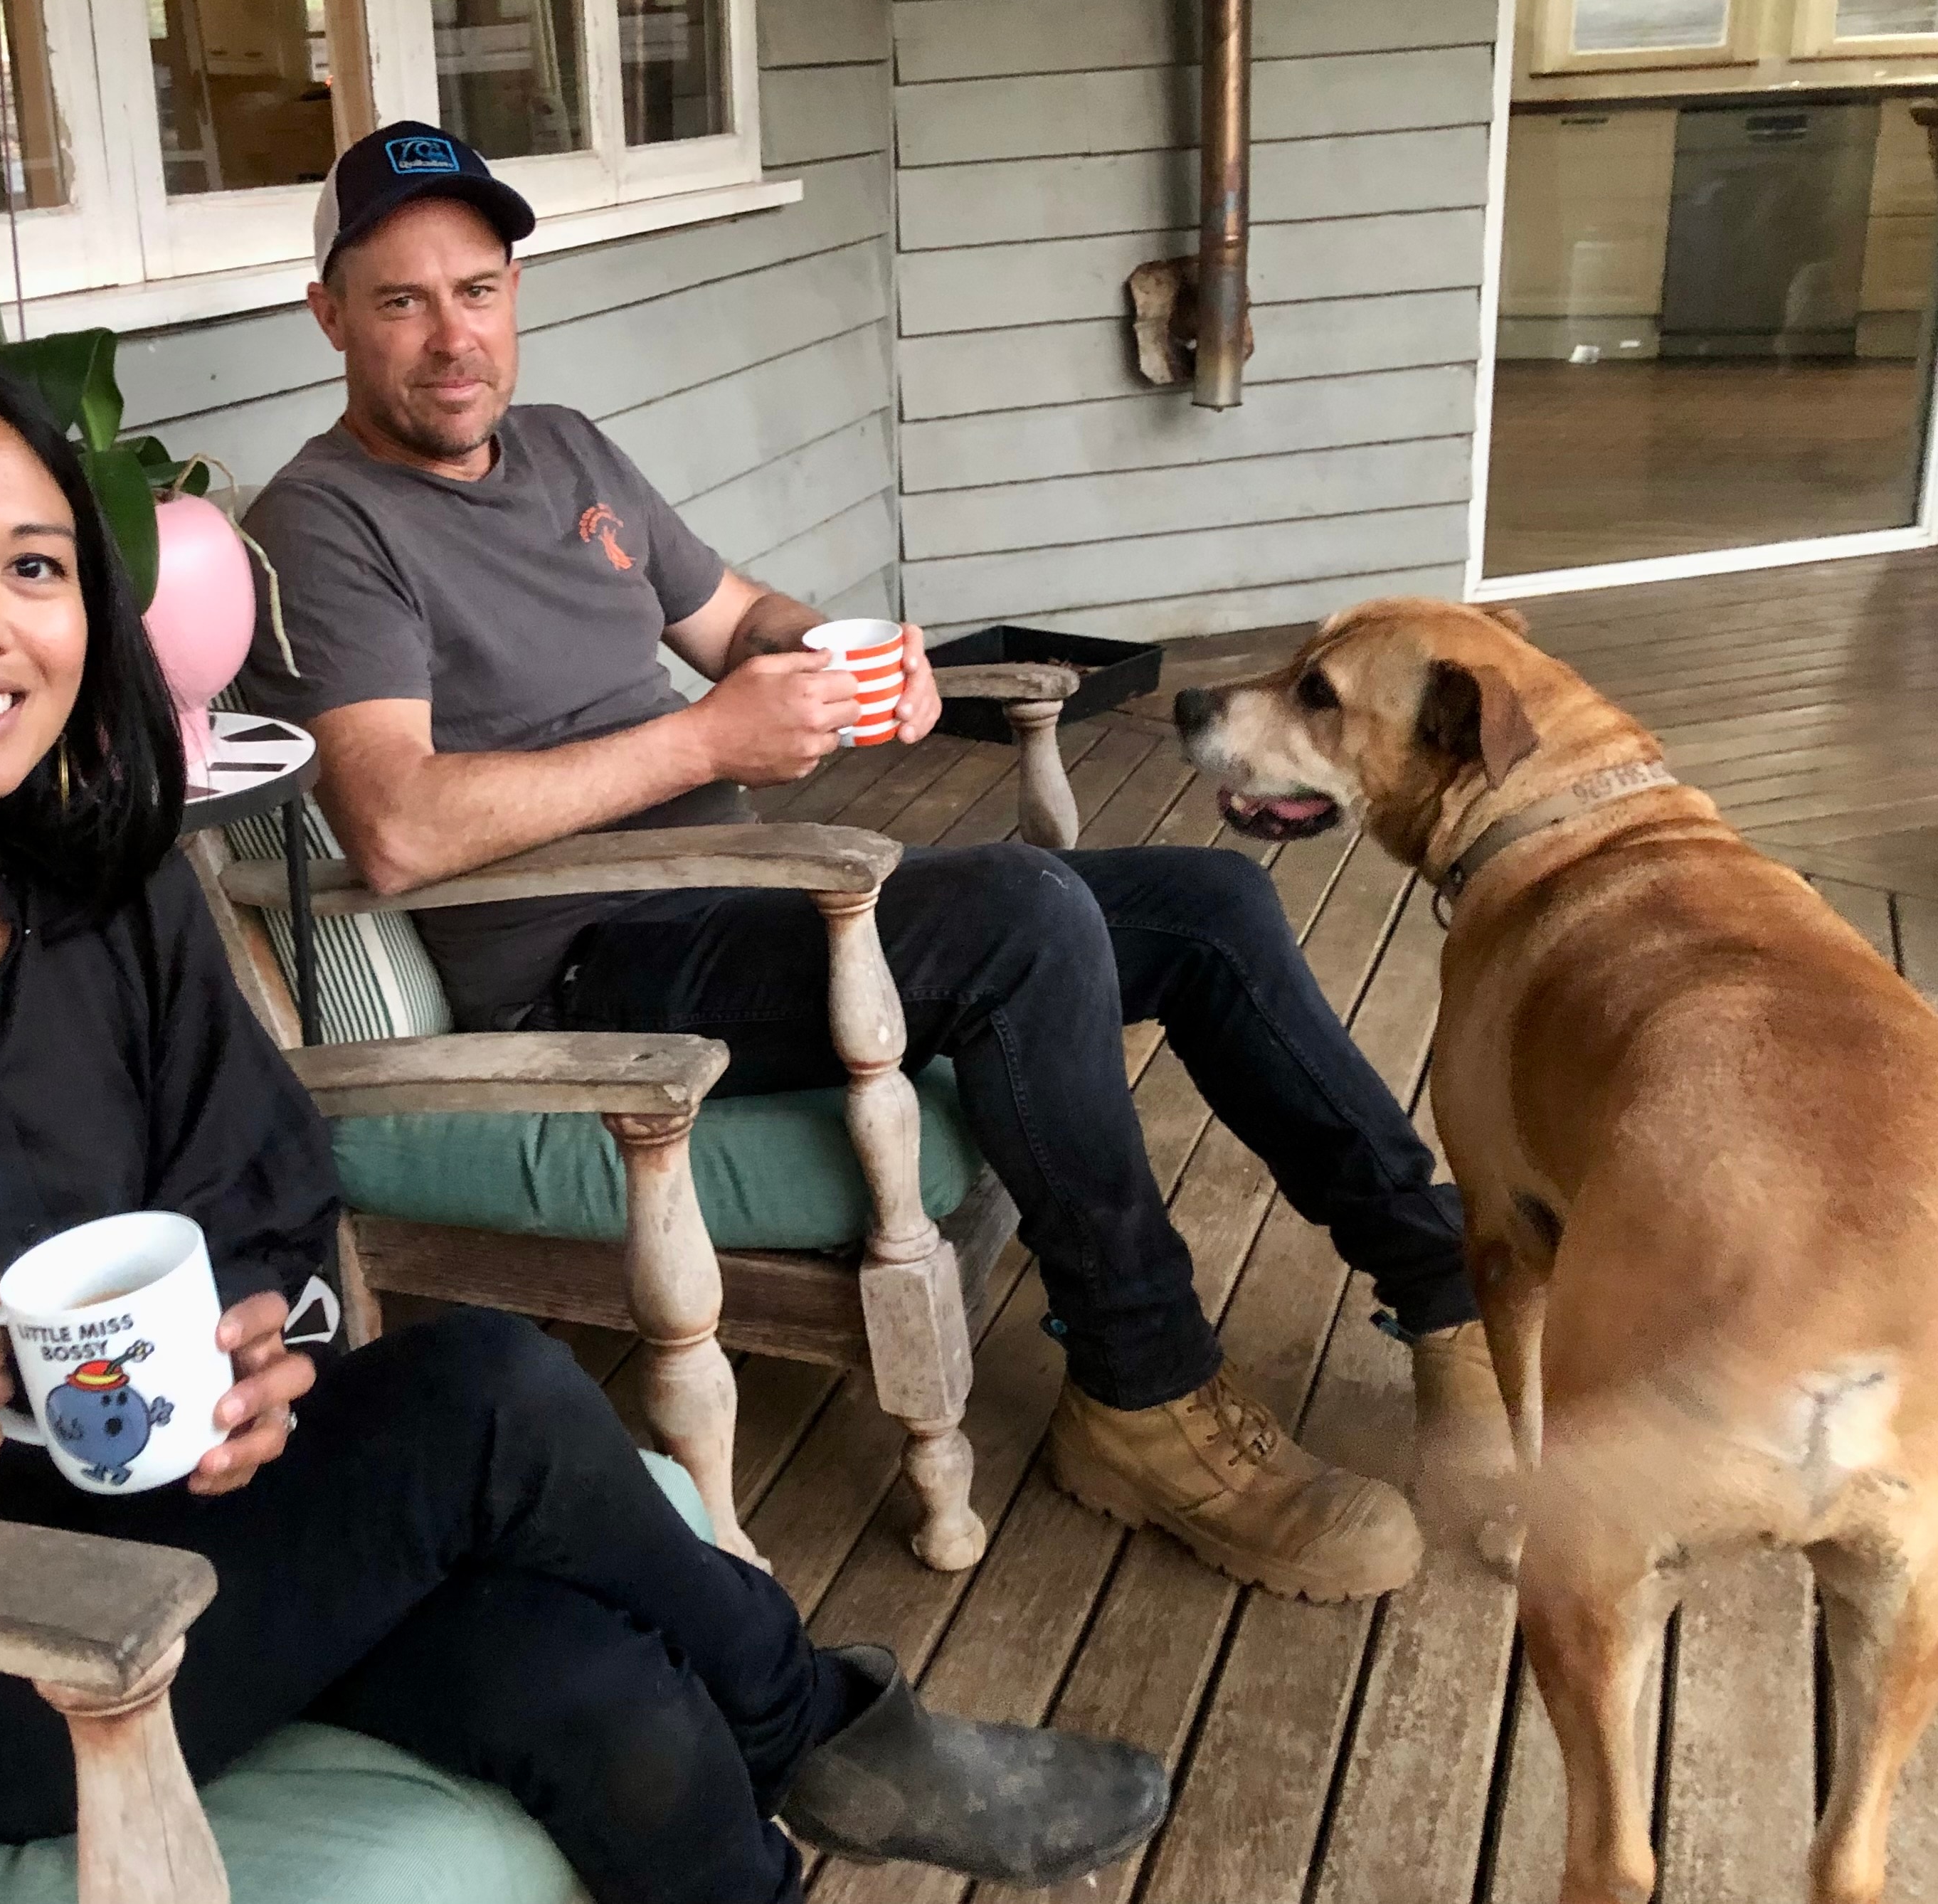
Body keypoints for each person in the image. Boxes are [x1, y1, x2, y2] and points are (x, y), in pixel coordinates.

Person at [0, 334, 1167, 1904]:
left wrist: (262, 1352)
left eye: (31, 566)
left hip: (191, 1533)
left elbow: (255, 1197)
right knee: (497, 1389)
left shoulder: (105, 904)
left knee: (603, 1698)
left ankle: (784, 1736)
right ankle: (831, 1721)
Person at [243, 122, 1512, 1607]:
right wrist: (709, 742)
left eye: (477, 289)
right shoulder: (325, 528)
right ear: (329, 315)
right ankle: (1143, 1394)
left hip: (746, 894)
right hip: (589, 969)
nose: (453, 338)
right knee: (1027, 917)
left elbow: (735, 618)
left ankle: (1444, 1292)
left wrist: (848, 663)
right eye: (401, 302)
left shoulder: (570, 451)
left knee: (1209, 901)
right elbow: (397, 824)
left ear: (514, 291)